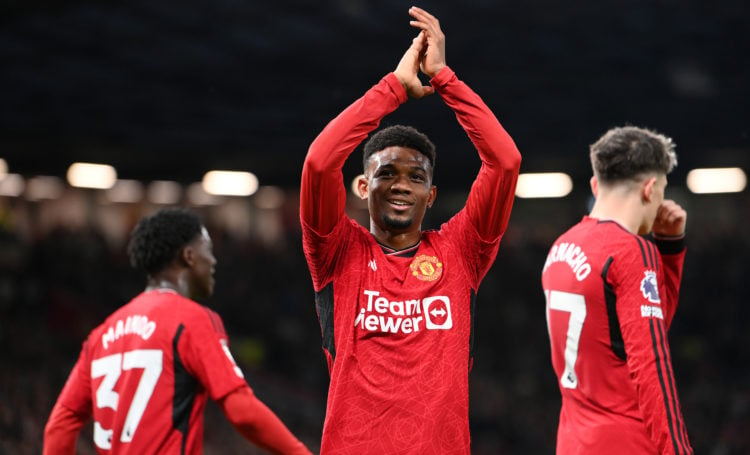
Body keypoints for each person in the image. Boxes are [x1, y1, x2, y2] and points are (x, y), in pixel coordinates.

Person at [300, 6, 521, 454]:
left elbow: (505, 161)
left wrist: (444, 78)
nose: (401, 185)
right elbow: (321, 163)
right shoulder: (336, 250)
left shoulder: (461, 250)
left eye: (416, 177)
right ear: (362, 187)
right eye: (387, 174)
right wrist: (395, 88)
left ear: (431, 196)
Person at [43, 208, 311, 454]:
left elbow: (59, 426)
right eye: (208, 249)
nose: (214, 261)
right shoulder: (191, 321)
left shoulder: (101, 335)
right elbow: (241, 410)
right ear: (189, 255)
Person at [541, 126, 693, 454]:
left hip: (573, 440)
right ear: (651, 189)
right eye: (663, 190)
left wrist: (669, 249)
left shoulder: (560, 248)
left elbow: (636, 331)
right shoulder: (630, 250)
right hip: (628, 441)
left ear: (597, 184)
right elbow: (651, 361)